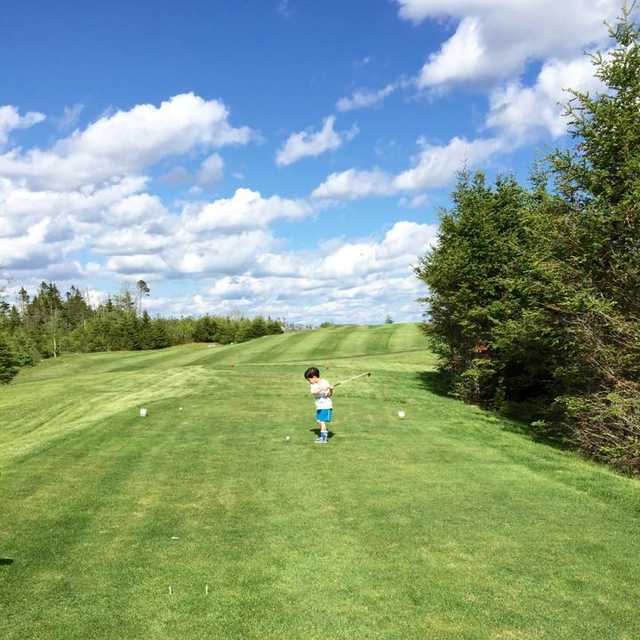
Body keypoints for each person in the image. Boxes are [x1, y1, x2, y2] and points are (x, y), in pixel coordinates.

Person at [304, 366, 333, 444]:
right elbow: (313, 392)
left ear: (314, 377)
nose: (309, 381)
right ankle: (323, 434)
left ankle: (324, 438)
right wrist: (322, 388)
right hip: (319, 406)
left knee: (321, 421)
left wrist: (330, 389)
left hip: (326, 405)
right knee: (318, 421)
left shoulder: (325, 382)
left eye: (309, 380)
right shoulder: (313, 385)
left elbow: (329, 395)